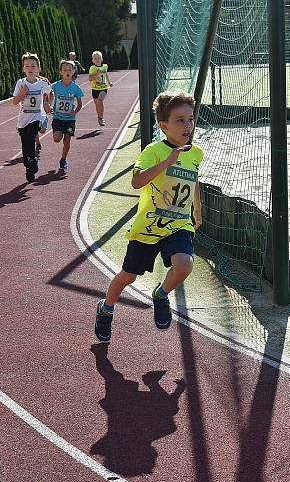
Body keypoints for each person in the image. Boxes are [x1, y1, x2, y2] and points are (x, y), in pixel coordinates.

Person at [94, 90, 204, 342]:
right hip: (148, 228)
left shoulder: (196, 153)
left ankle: (162, 293)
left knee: (184, 265)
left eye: (190, 119)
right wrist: (166, 163)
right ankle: (106, 308)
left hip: (179, 225)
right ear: (164, 126)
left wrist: (197, 209)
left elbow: (194, 180)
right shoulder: (153, 151)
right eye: (180, 120)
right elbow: (136, 182)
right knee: (129, 276)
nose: (187, 125)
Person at [12, 53, 52, 183]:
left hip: (37, 116)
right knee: (26, 143)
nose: (30, 68)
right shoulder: (21, 83)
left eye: (33, 66)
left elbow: (50, 93)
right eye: (27, 66)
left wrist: (47, 104)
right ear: (23, 69)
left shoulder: (42, 83)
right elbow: (14, 102)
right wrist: (22, 94)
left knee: (31, 136)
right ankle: (29, 166)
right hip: (23, 119)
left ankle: (33, 159)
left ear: (38, 68)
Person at [50, 60, 84, 172]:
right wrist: (48, 104)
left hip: (70, 119)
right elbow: (48, 95)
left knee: (67, 140)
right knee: (56, 139)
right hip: (58, 118)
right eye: (65, 70)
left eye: (70, 69)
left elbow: (79, 104)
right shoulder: (55, 86)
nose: (67, 71)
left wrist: (75, 111)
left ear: (74, 71)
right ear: (61, 72)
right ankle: (58, 134)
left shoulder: (76, 88)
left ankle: (63, 159)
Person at [89, 50, 113, 127]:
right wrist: (97, 73)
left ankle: (102, 118)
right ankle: (99, 117)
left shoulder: (105, 66)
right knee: (97, 105)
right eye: (95, 58)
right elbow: (90, 79)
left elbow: (106, 74)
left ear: (101, 59)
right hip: (95, 89)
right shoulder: (92, 68)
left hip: (103, 88)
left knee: (100, 101)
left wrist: (109, 82)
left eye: (98, 58)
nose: (97, 60)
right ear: (93, 60)